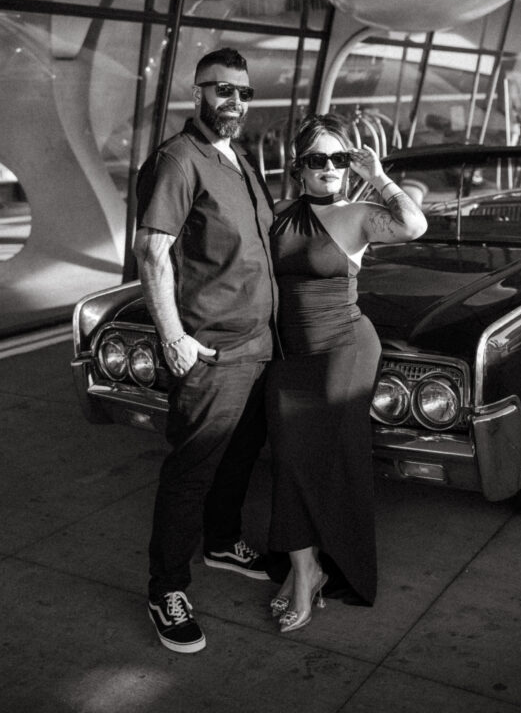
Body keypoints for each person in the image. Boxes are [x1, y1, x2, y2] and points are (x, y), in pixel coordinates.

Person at [133, 47, 278, 654]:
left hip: (258, 343)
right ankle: (165, 588)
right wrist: (174, 339)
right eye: (224, 91)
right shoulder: (177, 159)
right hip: (211, 349)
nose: (235, 103)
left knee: (240, 453)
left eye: (244, 94)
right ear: (198, 92)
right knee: (192, 469)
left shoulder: (239, 158)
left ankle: (221, 541)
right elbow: (151, 251)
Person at [266, 113, 427, 632]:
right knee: (290, 460)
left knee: (322, 460)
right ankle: (305, 567)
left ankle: (309, 570)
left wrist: (377, 175)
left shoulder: (358, 213)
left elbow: (414, 225)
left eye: (339, 158)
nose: (330, 167)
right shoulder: (278, 213)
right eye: (318, 159)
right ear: (300, 167)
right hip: (290, 355)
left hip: (345, 348)